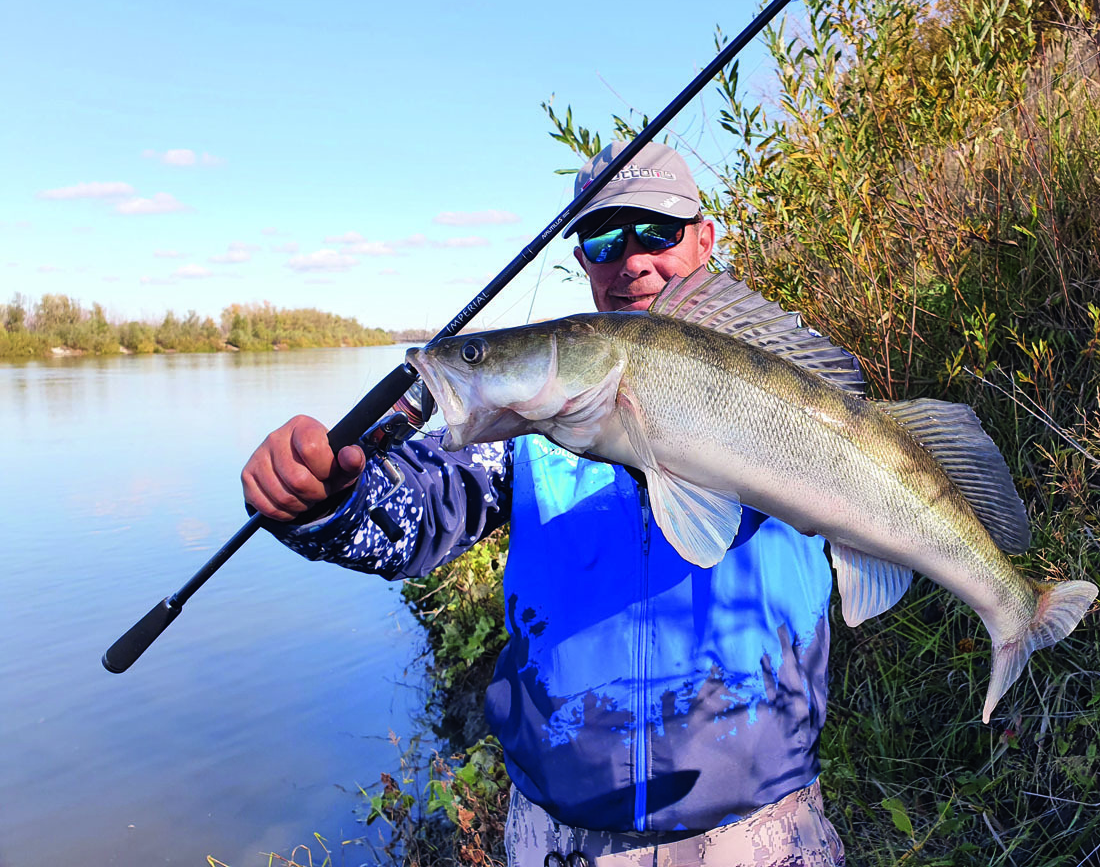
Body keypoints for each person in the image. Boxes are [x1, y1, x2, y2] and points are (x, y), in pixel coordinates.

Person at [242, 141, 854, 866]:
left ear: (704, 238)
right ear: (583, 261)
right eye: (604, 240)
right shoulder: (533, 422)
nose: (633, 261)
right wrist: (326, 498)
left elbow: (885, 491)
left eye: (657, 231)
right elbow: (414, 512)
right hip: (560, 840)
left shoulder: (790, 387)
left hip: (764, 831)